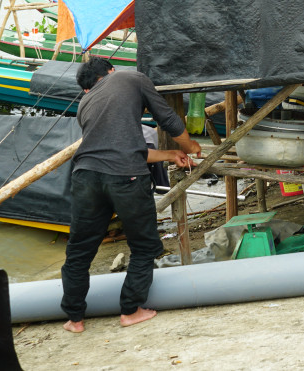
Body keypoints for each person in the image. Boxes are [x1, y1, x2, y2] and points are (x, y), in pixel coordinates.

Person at [61, 57, 202, 333]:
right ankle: (131, 310)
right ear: (111, 71)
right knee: (143, 245)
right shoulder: (132, 78)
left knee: (79, 250)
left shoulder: (85, 104)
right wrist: (190, 145)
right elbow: (169, 120)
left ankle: (74, 318)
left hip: (85, 176)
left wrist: (171, 155)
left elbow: (122, 148)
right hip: (126, 178)